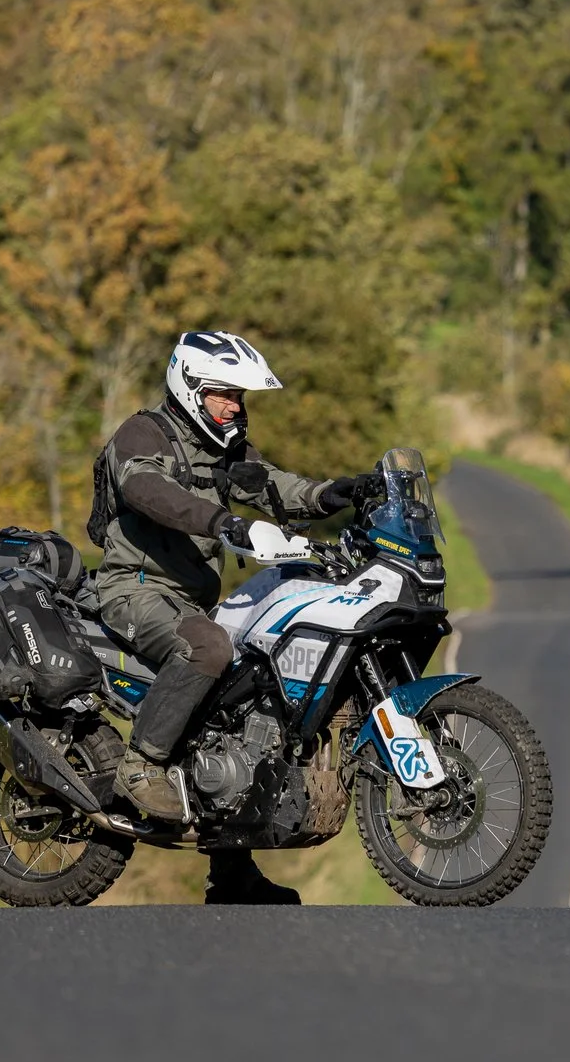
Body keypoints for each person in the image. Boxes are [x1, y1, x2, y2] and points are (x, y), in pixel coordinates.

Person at [87, 330, 379, 904]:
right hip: (134, 590)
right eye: (226, 394)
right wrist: (224, 523)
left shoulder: (227, 450)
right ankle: (141, 766)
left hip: (190, 601)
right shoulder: (143, 434)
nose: (236, 406)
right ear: (192, 386)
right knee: (211, 649)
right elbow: (148, 491)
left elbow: (277, 487)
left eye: (240, 398)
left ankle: (231, 872)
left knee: (251, 701)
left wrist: (338, 493)